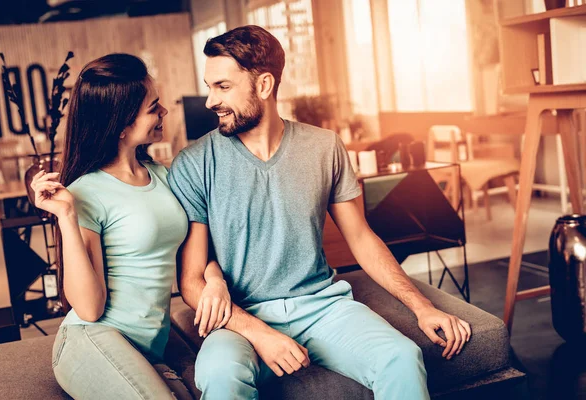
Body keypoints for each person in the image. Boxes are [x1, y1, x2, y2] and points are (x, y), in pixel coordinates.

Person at [168, 26, 471, 400]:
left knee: (402, 357)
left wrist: (422, 307)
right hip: (237, 318)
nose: (211, 100)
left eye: (223, 87)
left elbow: (361, 238)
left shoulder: (324, 147)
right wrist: (261, 334)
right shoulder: (195, 163)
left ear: (264, 85)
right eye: (209, 86)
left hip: (322, 307)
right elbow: (192, 281)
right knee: (220, 374)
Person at [32, 53, 231, 400]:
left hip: (149, 345)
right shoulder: (84, 192)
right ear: (122, 124)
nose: (164, 113)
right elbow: (90, 309)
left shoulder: (164, 176)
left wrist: (214, 281)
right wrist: (65, 217)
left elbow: (196, 254)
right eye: (154, 108)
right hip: (92, 339)